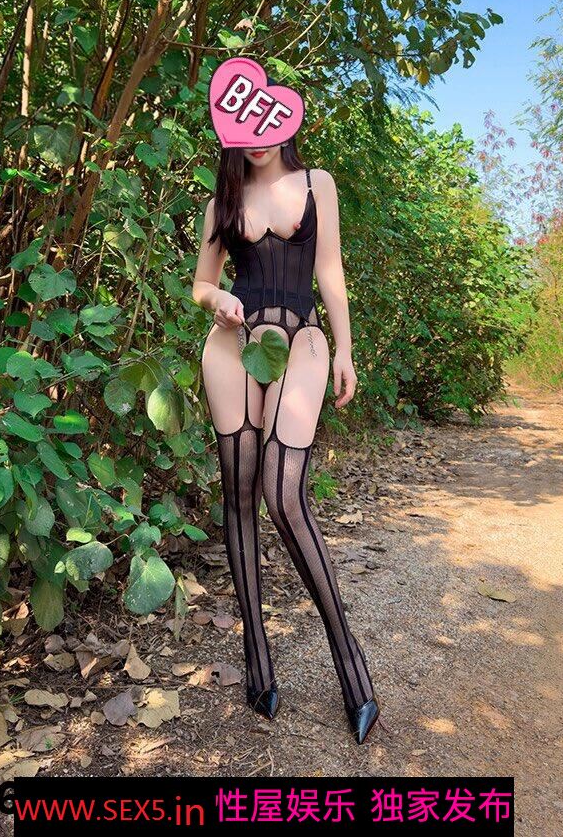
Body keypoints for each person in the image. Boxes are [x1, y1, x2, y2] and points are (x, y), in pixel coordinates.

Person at [192, 131, 381, 745]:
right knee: (239, 495)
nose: (257, 142)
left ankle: (349, 662)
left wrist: (345, 349)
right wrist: (218, 298)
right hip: (234, 345)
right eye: (243, 130)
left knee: (283, 494)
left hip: (302, 340)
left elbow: (329, 269)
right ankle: (257, 657)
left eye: (266, 127)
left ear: (283, 122)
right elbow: (201, 283)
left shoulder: (317, 183)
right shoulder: (223, 199)